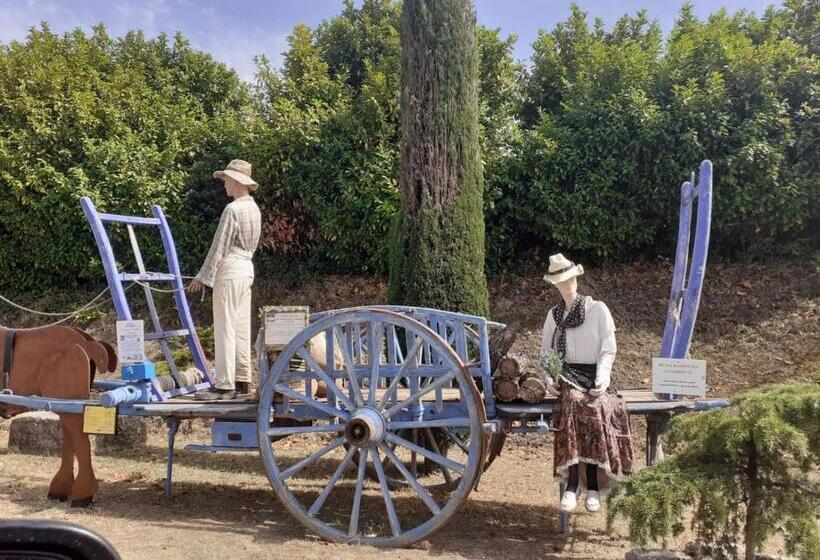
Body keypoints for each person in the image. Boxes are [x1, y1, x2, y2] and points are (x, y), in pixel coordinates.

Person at [539, 253, 635, 513]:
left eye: (570, 279)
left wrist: (603, 378)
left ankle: (593, 485)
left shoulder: (598, 309)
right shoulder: (554, 316)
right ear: (556, 286)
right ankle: (572, 485)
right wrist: (549, 377)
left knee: (595, 406)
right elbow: (547, 352)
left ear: (576, 279)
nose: (567, 285)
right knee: (571, 402)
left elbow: (608, 349)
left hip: (595, 374)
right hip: (568, 374)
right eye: (561, 282)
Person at [188, 159, 261, 400]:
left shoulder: (233, 209)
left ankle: (224, 384)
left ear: (237, 181)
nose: (225, 185)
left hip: (230, 270)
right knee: (241, 327)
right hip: (246, 269)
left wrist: (203, 277)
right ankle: (242, 380)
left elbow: (219, 247)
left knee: (225, 327)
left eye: (227, 180)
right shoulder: (254, 208)